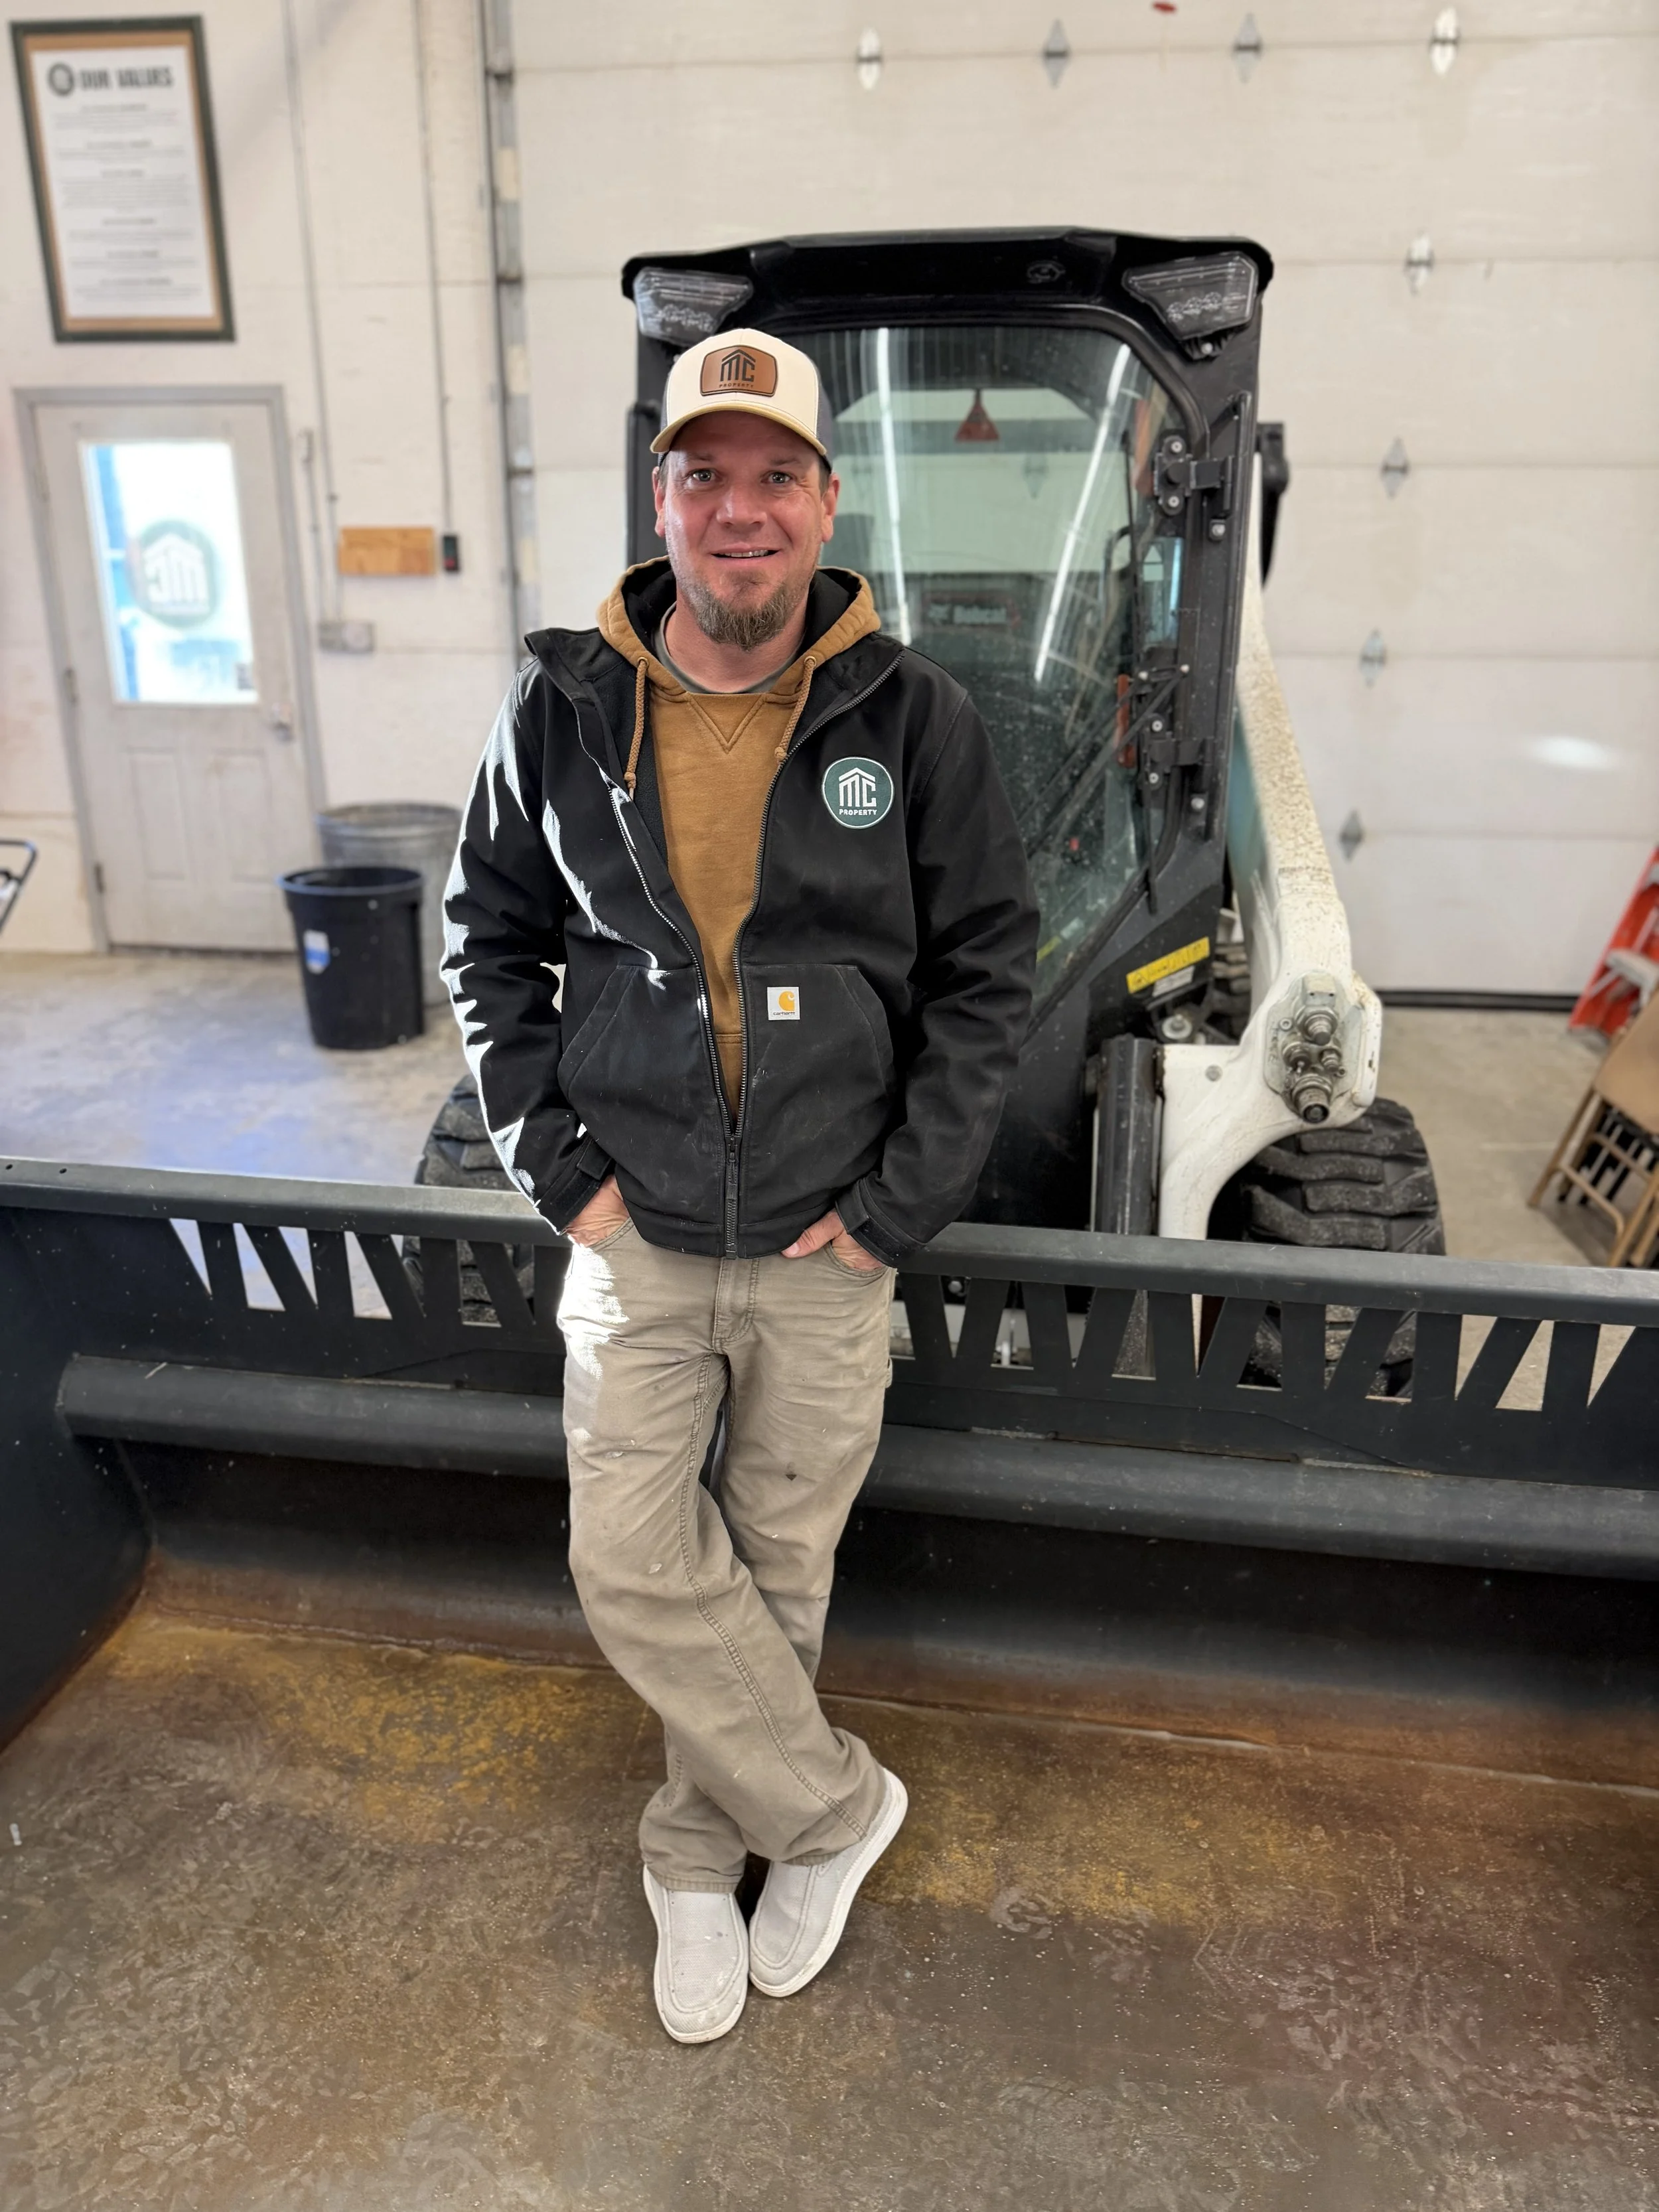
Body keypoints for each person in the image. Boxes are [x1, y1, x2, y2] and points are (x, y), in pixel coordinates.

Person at [442, 328, 1037, 2043]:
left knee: (778, 1572)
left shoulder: (913, 716)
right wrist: (564, 1177)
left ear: (826, 503)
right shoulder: (560, 707)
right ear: (663, 500)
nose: (742, 510)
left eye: (776, 474)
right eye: (706, 474)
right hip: (633, 1230)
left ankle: (691, 1861)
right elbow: (486, 942)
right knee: (633, 1555)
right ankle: (836, 1812)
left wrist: (896, 1203)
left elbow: (987, 970)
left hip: (825, 1235)